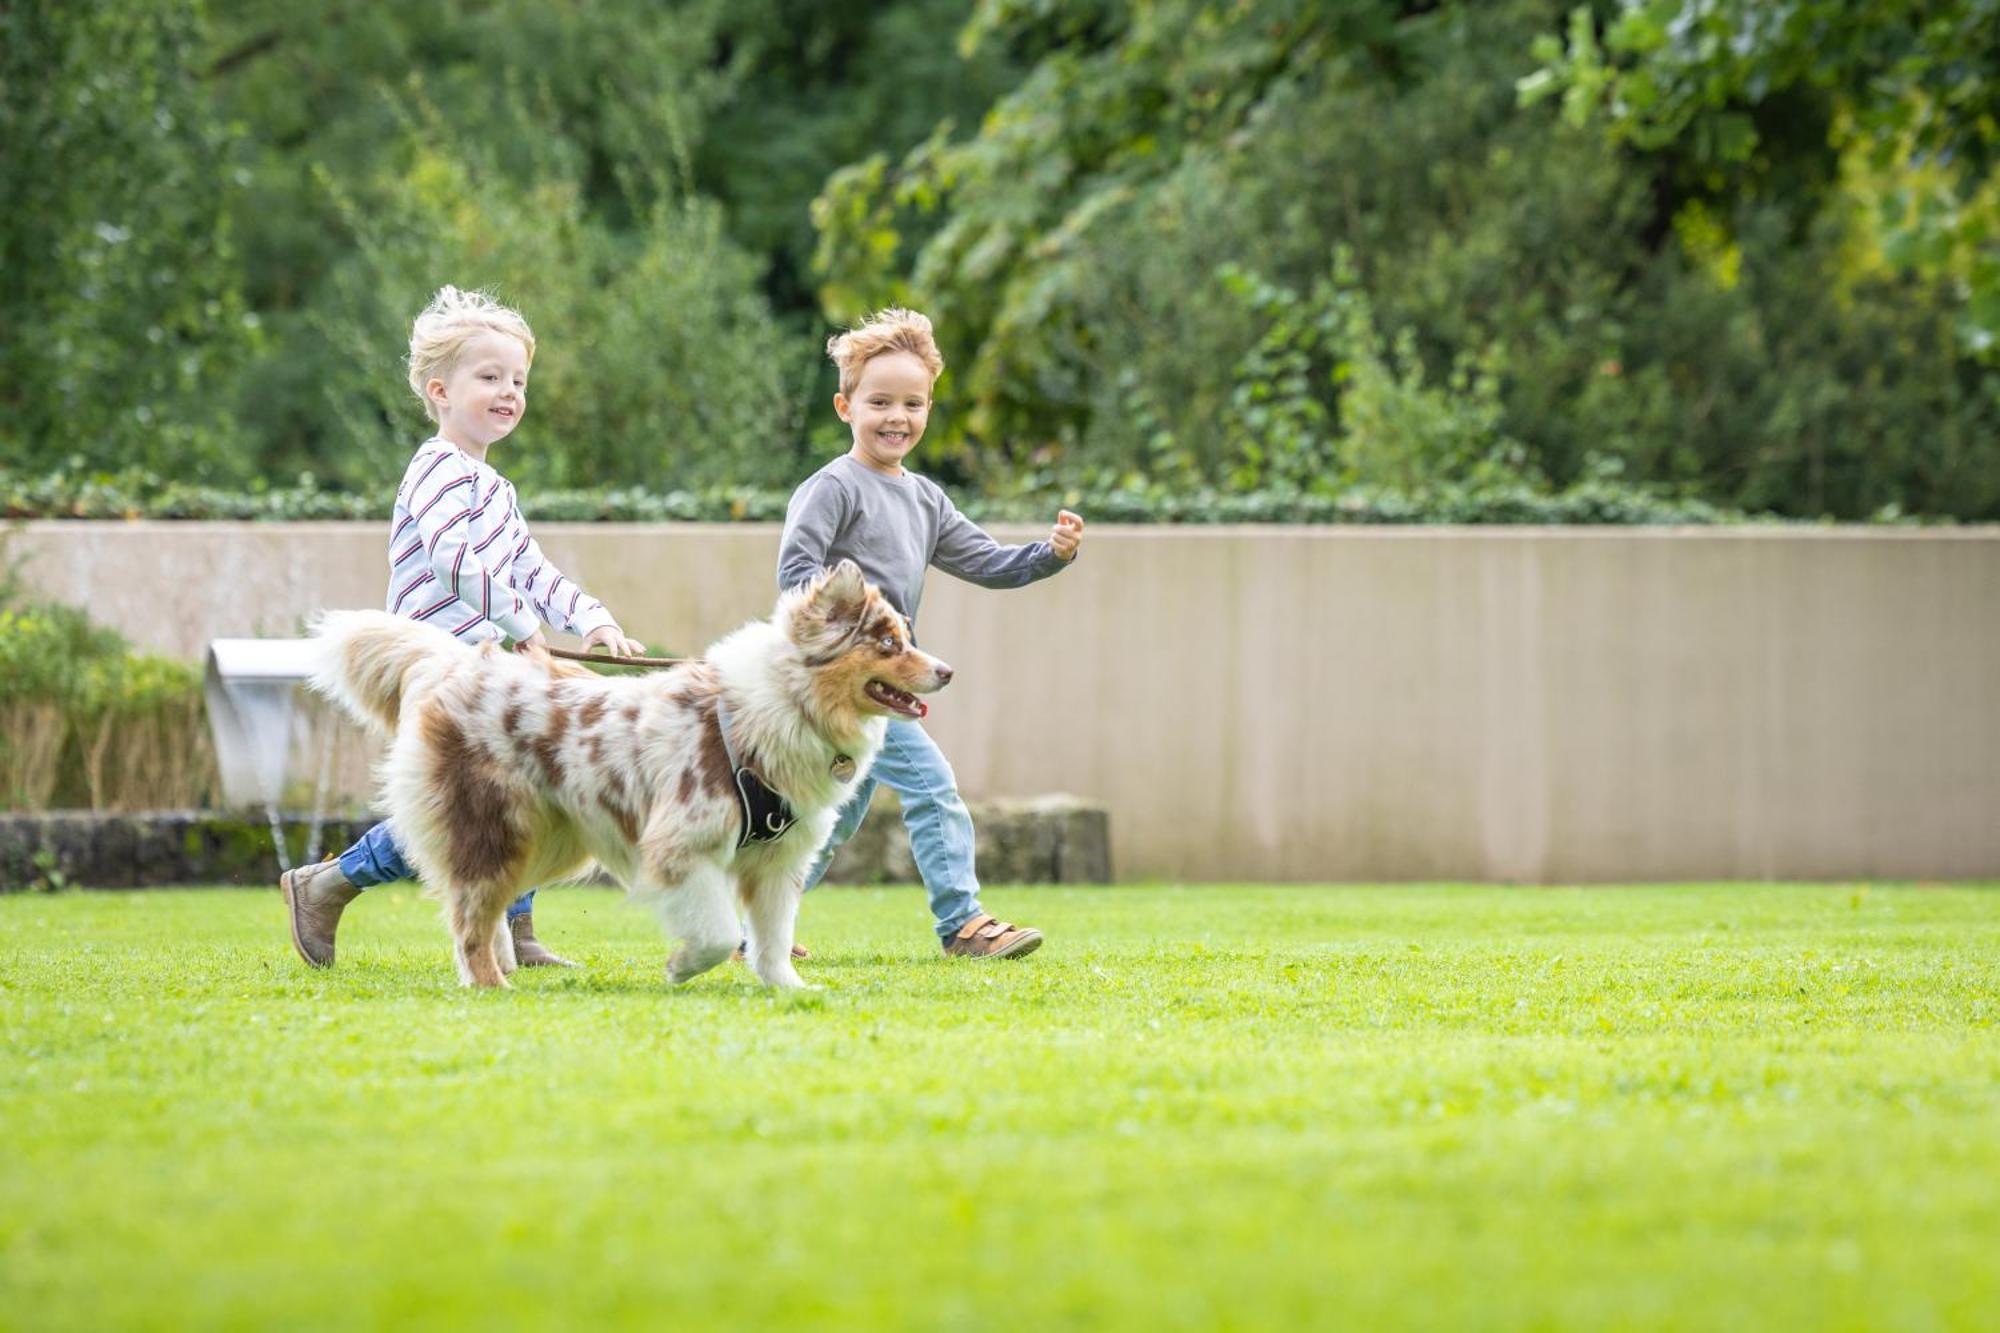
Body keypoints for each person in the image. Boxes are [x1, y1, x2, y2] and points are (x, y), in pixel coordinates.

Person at [281, 286, 645, 970]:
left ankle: (520, 930)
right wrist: (521, 623)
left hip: (487, 668)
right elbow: (453, 557)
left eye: (518, 380)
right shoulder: (436, 469)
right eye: (491, 377)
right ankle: (326, 884)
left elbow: (531, 568)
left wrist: (593, 620)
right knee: (463, 805)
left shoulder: (494, 486)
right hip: (437, 666)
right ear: (441, 391)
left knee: (521, 788)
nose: (509, 391)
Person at [777, 307, 1084, 959]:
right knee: (933, 784)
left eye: (912, 403)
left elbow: (988, 562)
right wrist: (852, 605)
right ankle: (963, 923)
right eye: (880, 400)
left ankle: (762, 920)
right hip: (843, 685)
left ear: (929, 409)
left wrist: (1049, 554)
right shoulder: (830, 488)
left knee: (842, 810)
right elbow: (795, 576)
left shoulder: (924, 499)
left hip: (883, 690)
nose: (897, 416)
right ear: (845, 406)